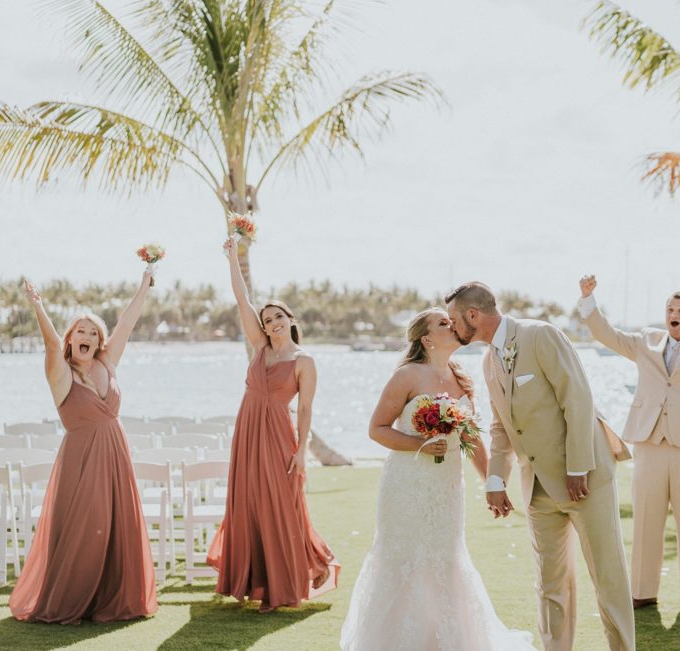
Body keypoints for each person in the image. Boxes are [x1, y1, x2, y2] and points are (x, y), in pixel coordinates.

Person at [447, 282, 634, 651]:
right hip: (538, 490)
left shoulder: (540, 335)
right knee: (550, 585)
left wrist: (578, 467)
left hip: (585, 480)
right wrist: (496, 480)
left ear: (473, 315)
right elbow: (502, 426)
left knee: (607, 578)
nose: (452, 327)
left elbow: (577, 399)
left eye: (454, 320)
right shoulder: (489, 361)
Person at [340, 308, 534, 651]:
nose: (453, 325)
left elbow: (471, 439)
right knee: (403, 557)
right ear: (427, 339)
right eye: (444, 323)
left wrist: (493, 484)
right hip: (407, 483)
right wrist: (419, 444)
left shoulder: (462, 378)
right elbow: (376, 429)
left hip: (447, 486)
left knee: (446, 557)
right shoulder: (407, 376)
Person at [576, 265, 680, 614]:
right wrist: (588, 299)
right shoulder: (645, 342)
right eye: (670, 309)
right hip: (650, 443)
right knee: (646, 520)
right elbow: (607, 334)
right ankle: (642, 591)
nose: (674, 315)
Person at [9, 273, 157, 623]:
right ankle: (74, 600)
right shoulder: (60, 375)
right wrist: (38, 305)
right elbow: (49, 344)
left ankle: (112, 597)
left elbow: (127, 322)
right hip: (82, 458)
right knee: (86, 526)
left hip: (116, 454)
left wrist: (143, 285)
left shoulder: (107, 362)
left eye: (93, 332)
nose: (87, 336)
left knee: (118, 524)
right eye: (81, 331)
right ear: (70, 338)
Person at [206, 238, 339, 611]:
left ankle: (295, 577)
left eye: (278, 317)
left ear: (291, 320)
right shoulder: (258, 346)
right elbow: (241, 298)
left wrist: (301, 452)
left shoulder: (304, 360)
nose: (272, 323)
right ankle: (256, 583)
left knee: (281, 504)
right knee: (249, 505)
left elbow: (307, 410)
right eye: (267, 320)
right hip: (247, 430)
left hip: (279, 435)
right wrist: (232, 257)